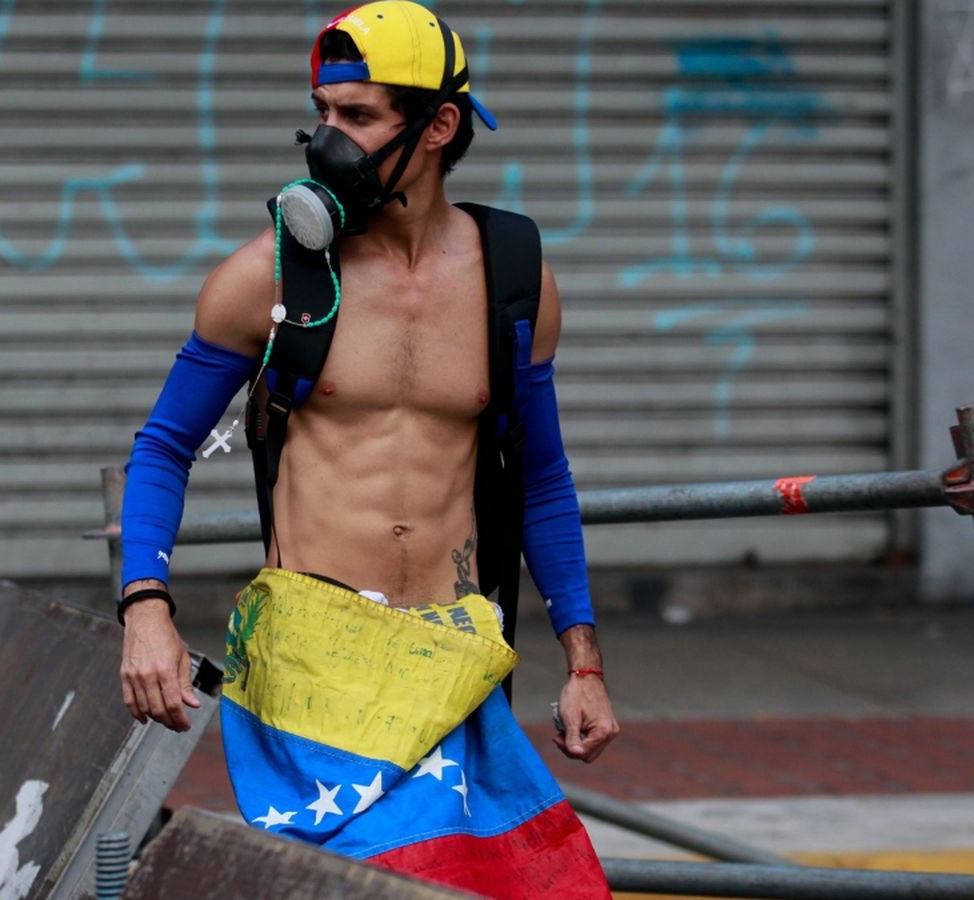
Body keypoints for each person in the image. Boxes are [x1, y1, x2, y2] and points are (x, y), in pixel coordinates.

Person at [116, 3, 615, 896]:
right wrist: (145, 607)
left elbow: (541, 479)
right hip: (314, 660)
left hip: (452, 657)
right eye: (324, 111)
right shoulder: (270, 277)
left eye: (358, 116)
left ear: (438, 126)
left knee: (548, 883)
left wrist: (584, 663)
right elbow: (162, 448)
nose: (326, 139)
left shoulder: (513, 278)